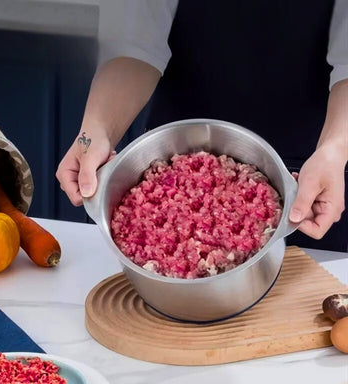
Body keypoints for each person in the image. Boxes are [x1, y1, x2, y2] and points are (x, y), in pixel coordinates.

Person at [56, 0, 348, 250]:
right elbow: (133, 45)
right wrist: (96, 129)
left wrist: (334, 150)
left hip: (310, 172)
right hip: (173, 173)